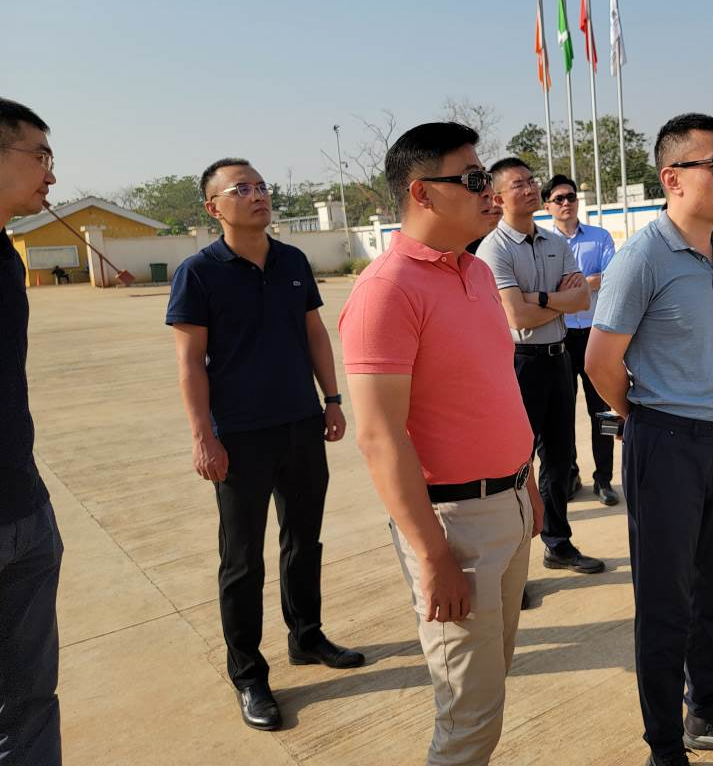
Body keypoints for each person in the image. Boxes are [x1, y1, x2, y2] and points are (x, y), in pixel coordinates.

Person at [340, 122, 542, 765]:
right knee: (468, 716)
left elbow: (496, 390)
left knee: (489, 686)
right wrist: (432, 556)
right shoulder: (385, 291)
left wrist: (527, 482)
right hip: (453, 524)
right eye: (475, 179)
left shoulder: (476, 272)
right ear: (422, 192)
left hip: (508, 503)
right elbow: (379, 437)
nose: (491, 192)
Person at [586, 113, 713, 766]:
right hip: (666, 444)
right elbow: (600, 362)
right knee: (665, 605)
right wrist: (643, 417)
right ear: (672, 179)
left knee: (712, 590)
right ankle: (665, 746)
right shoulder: (642, 258)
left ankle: (708, 712)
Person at [166, 157, 363, 732]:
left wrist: (331, 399)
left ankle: (307, 636)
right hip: (239, 437)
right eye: (241, 189)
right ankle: (249, 673)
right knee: (242, 559)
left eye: (261, 186)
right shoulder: (198, 273)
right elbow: (190, 363)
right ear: (214, 207)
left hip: (301, 424)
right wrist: (203, 436)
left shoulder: (293, 261)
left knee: (304, 541)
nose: (257, 195)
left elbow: (314, 333)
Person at [476, 160, 605, 577]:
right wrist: (552, 300)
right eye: (519, 184)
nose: (531, 188)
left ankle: (558, 544)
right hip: (520, 363)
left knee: (559, 457)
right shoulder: (494, 248)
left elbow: (582, 298)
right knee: (516, 462)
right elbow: (514, 316)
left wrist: (537, 298)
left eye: (532, 181)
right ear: (498, 197)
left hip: (559, 358)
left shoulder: (554, 241)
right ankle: (512, 565)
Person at [0, 97, 63, 766]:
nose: (51, 173)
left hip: (24, 510)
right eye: (39, 155)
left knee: (29, 701)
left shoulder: (8, 257)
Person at [544, 174, 620, 506]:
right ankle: (571, 475)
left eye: (571, 197)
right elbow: (543, 287)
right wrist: (587, 284)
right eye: (559, 198)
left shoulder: (599, 237)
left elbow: (612, 276)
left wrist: (573, 289)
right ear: (547, 205)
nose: (566, 203)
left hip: (594, 335)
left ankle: (604, 479)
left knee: (602, 411)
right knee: (561, 414)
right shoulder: (543, 244)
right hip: (559, 336)